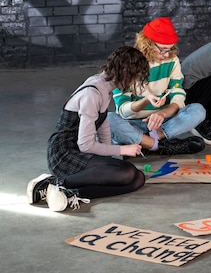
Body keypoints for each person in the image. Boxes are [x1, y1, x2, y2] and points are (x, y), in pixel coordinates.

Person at [26, 46, 150, 212]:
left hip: (79, 151)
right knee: (127, 172)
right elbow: (85, 145)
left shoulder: (105, 87)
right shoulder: (92, 93)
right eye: (134, 77)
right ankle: (54, 183)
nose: (134, 83)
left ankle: (71, 194)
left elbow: (103, 127)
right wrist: (123, 149)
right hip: (64, 153)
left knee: (137, 178)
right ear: (125, 72)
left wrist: (113, 161)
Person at [107, 18, 206, 154]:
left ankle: (148, 142)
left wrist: (162, 113)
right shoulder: (126, 62)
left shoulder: (172, 60)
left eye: (170, 49)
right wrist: (145, 101)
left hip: (162, 124)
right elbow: (123, 110)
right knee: (108, 119)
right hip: (134, 123)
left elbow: (178, 95)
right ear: (147, 43)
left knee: (198, 110)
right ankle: (159, 146)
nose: (166, 55)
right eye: (162, 50)